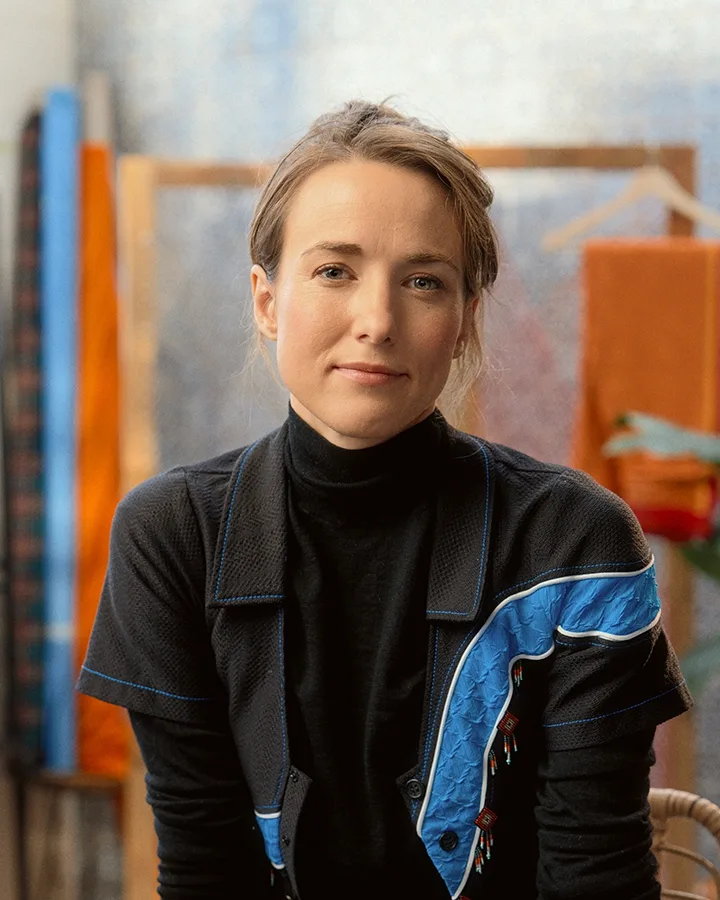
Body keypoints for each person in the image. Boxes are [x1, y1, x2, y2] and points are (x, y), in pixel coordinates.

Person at [78, 100, 692, 900]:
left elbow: (594, 876)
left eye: (424, 281)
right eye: (334, 270)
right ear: (267, 300)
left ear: (467, 320)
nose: (377, 320)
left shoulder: (573, 544)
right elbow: (204, 869)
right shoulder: (174, 536)